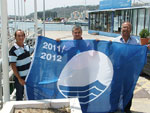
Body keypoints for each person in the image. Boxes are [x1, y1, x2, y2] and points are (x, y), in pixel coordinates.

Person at [9, 29, 34, 100]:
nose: (21, 37)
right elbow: (13, 66)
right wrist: (19, 79)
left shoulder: (27, 47)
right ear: (15, 37)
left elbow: (37, 49)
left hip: (28, 77)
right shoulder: (13, 50)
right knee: (19, 96)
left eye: (22, 36)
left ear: (24, 36)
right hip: (20, 78)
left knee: (29, 94)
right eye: (19, 36)